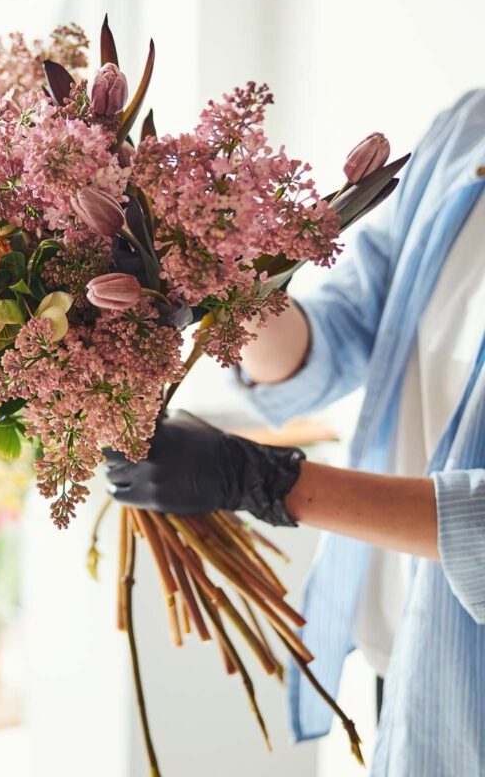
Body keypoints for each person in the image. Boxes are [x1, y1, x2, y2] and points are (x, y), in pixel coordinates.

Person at [104, 89, 485, 776]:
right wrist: (231, 274)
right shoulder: (468, 131)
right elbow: (337, 338)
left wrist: (266, 481)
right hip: (405, 643)